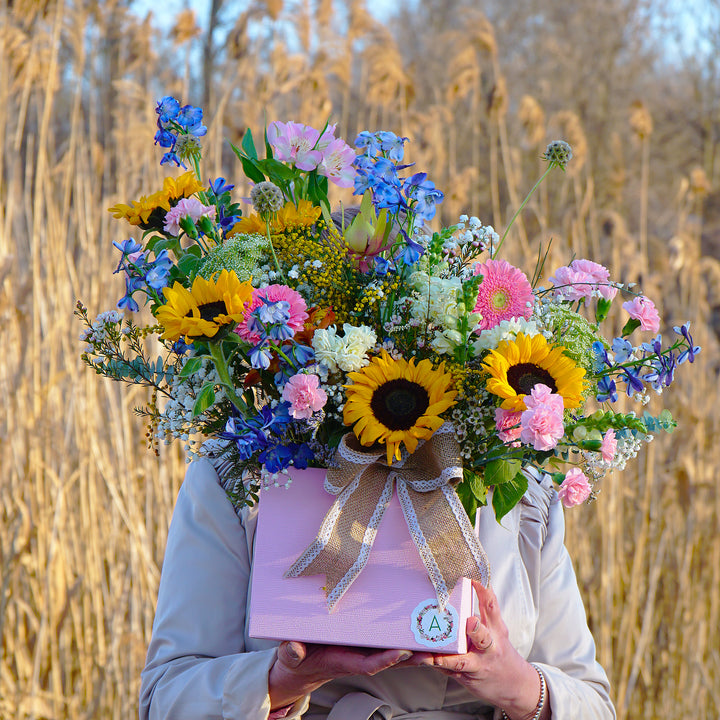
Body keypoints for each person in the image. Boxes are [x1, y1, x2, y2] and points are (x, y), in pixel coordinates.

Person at [139, 451, 616, 720]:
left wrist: (514, 683)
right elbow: (165, 702)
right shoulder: (245, 474)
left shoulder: (518, 489)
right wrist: (284, 681)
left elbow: (594, 705)